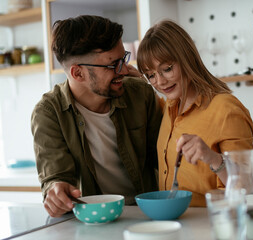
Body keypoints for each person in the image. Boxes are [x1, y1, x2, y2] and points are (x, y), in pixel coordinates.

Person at [31, 15, 162, 217]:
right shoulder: (49, 113)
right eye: (113, 65)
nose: (125, 70)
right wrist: (56, 192)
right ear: (78, 74)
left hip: (147, 213)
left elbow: (165, 159)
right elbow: (55, 178)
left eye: (123, 59)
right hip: (93, 220)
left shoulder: (140, 94)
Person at [136, 20, 253, 207]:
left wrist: (213, 158)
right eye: (151, 75)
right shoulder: (169, 106)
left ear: (187, 58)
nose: (160, 81)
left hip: (211, 225)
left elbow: (247, 184)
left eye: (167, 69)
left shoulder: (225, 108)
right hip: (174, 224)